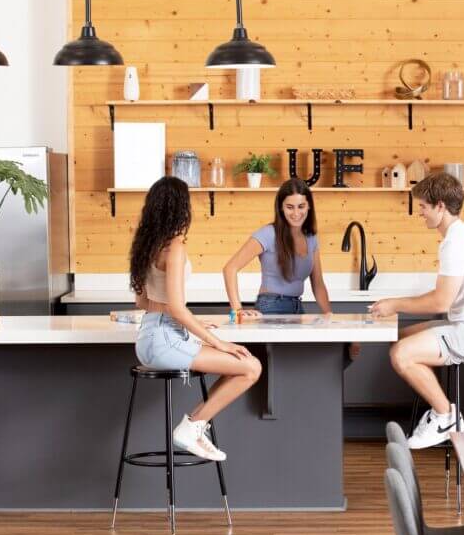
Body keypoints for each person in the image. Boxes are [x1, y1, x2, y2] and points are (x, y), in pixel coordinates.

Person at [370, 172, 464, 450]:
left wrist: (394, 304)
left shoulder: (456, 243)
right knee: (401, 336)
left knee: (401, 353)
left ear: (440, 206)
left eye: (423, 206)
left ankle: (446, 416)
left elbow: (440, 303)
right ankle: (438, 409)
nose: (420, 213)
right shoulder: (461, 235)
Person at [130, 176, 261, 461]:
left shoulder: (146, 245)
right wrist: (220, 343)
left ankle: (195, 427)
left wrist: (195, 325)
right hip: (166, 339)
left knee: (239, 368)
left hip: (148, 339)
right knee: (251, 367)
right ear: (181, 208)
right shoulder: (174, 246)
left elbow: (142, 301)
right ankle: (192, 427)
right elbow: (176, 307)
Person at [223, 178, 333, 318]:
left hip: (297, 308)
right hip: (271, 306)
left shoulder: (311, 238)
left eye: (301, 206)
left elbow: (318, 283)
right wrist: (237, 311)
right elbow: (230, 268)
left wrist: (329, 313)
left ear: (309, 206)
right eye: (289, 207)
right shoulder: (268, 234)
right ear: (281, 207)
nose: (296, 213)